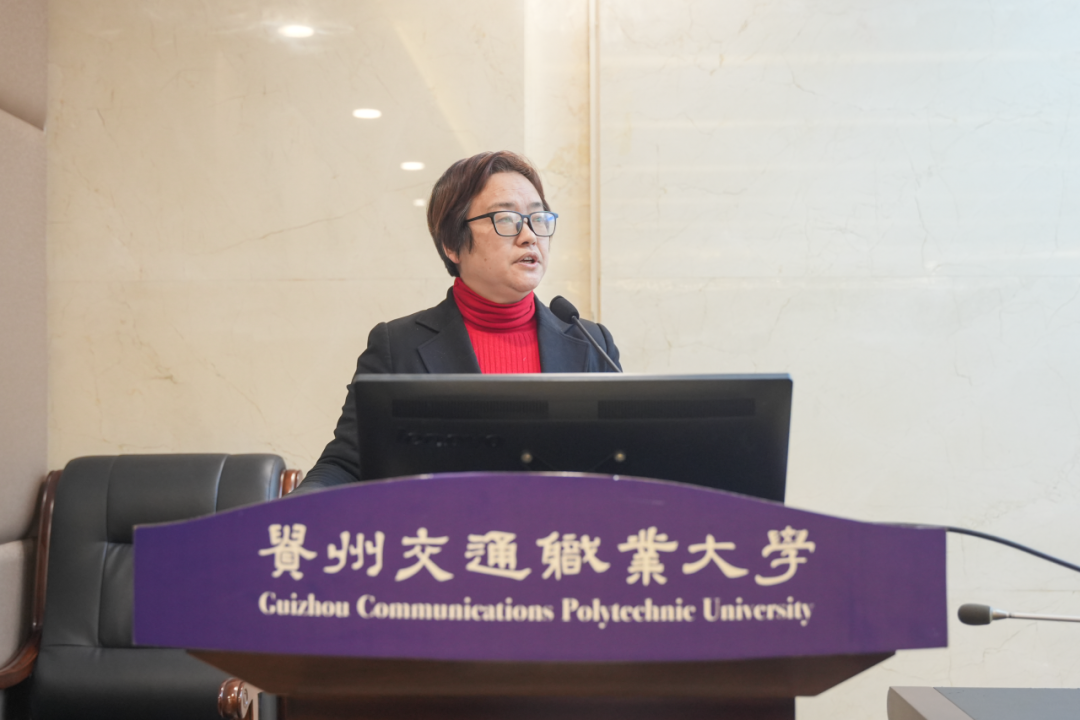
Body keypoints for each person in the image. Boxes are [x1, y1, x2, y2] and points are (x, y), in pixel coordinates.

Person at [293, 150, 621, 493]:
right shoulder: (398, 347)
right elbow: (346, 466)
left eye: (538, 218)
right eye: (507, 219)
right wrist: (287, 514)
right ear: (452, 242)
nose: (530, 236)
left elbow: (624, 461)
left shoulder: (591, 343)